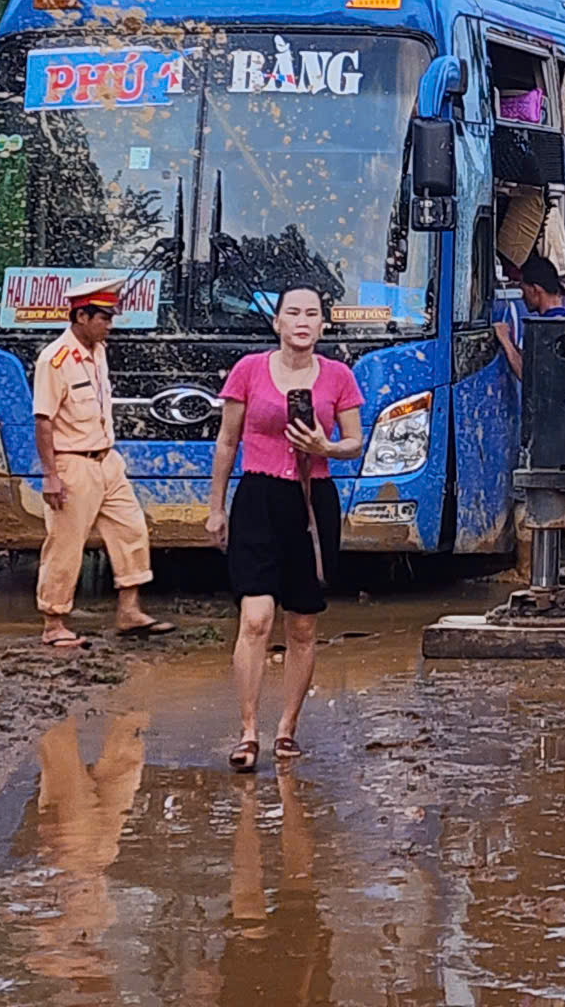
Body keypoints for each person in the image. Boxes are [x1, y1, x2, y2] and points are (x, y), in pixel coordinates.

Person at [206, 285, 364, 773]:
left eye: (311, 314)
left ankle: (287, 730)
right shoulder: (248, 370)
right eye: (292, 312)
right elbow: (227, 441)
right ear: (276, 323)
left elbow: (354, 443)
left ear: (323, 326)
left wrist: (324, 445)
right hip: (257, 497)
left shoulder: (339, 376)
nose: (301, 320)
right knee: (255, 619)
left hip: (313, 502)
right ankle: (249, 729)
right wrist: (216, 507)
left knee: (302, 623)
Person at [31, 283, 171, 649]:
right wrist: (50, 475)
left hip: (107, 460)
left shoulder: (98, 353)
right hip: (72, 464)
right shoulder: (55, 359)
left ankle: (129, 610)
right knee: (65, 544)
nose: (110, 325)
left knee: (131, 529)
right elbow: (43, 421)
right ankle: (54, 622)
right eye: (104, 318)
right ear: (81, 316)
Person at [494, 253, 565, 377]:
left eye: (524, 290)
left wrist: (505, 340)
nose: (522, 296)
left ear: (535, 290)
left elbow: (529, 377)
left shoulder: (546, 328)